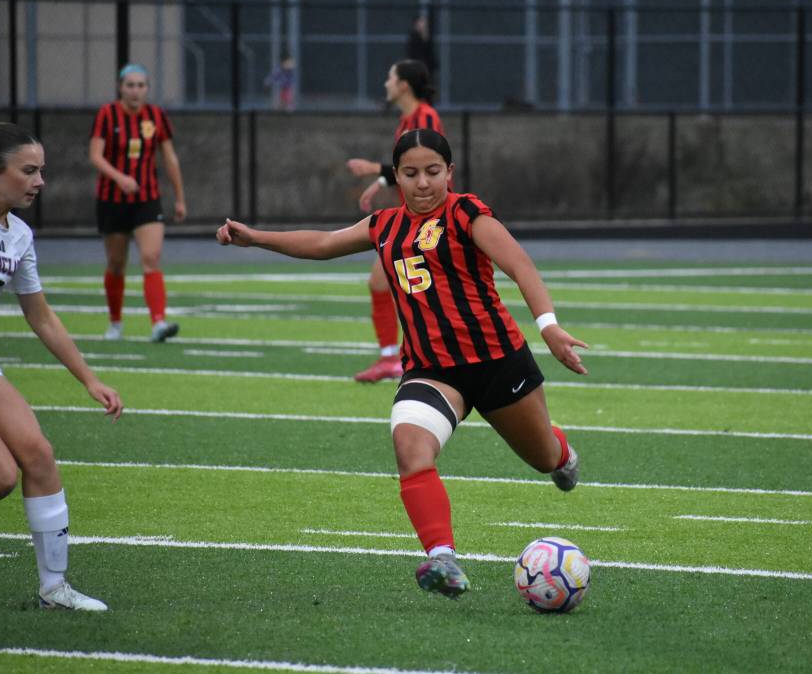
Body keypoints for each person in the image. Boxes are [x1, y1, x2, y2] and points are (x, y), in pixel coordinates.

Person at [218, 129, 586, 599]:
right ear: (396, 176)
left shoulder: (466, 213)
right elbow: (323, 243)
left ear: (450, 172)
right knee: (410, 446)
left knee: (543, 458)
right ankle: (443, 559)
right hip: (432, 371)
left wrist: (549, 326)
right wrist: (255, 238)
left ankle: (561, 452)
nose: (423, 182)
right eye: (411, 173)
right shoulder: (384, 225)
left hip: (497, 362)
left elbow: (521, 266)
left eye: (433, 171)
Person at [0, 115, 123, 610]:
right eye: (28, 171)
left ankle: (54, 588)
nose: (39, 181)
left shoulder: (19, 235)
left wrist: (89, 380)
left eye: (41, 170)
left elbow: (41, 317)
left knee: (38, 454)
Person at [346, 60, 445, 382]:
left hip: (431, 219)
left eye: (390, 77)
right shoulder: (407, 120)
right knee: (381, 282)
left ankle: (414, 357)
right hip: (413, 217)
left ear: (403, 85)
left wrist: (375, 169)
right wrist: (381, 181)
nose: (386, 83)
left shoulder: (425, 117)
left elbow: (429, 163)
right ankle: (391, 358)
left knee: (429, 292)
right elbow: (407, 166)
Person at [89, 63, 184, 343]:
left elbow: (170, 158)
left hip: (147, 199)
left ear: (147, 89)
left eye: (141, 85)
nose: (135, 91)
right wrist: (120, 178)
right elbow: (95, 155)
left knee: (151, 258)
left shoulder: (156, 115)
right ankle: (115, 323)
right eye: (130, 85)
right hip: (112, 200)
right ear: (120, 87)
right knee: (116, 263)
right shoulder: (107, 114)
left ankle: (158, 322)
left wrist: (180, 198)